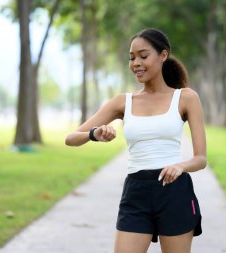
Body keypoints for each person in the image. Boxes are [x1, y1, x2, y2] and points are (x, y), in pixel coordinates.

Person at [65, 28, 207, 253]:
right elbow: (71, 139)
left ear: (163, 56)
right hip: (136, 193)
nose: (136, 63)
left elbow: (201, 159)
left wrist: (179, 166)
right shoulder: (123, 102)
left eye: (143, 56)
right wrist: (94, 134)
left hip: (174, 193)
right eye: (132, 58)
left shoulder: (186, 98)